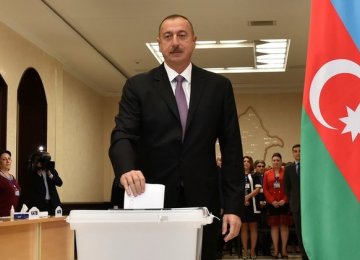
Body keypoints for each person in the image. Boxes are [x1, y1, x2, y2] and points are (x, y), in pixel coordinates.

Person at [109, 14, 244, 260]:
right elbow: (123, 134)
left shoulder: (219, 87)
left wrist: (234, 207)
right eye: (167, 36)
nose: (175, 42)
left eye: (182, 35)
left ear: (194, 41)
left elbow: (232, 148)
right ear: (159, 43)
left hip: (203, 203)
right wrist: (126, 168)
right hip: (150, 200)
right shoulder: (138, 86)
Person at [263, 153, 291, 259]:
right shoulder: (267, 173)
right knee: (274, 227)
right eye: (274, 160)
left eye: (278, 160)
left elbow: (290, 187)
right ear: (271, 161)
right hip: (272, 204)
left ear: (281, 161)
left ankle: (283, 250)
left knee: (284, 226)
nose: (276, 162)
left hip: (284, 203)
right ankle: (275, 250)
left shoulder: (286, 172)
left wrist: (285, 200)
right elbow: (265, 189)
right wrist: (272, 201)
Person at [284, 144, 308, 260]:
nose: (298, 153)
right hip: (296, 206)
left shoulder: (309, 166)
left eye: (300, 151)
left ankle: (312, 253)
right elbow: (287, 188)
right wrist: (293, 200)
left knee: (309, 231)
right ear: (292, 153)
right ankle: (304, 255)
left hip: (310, 206)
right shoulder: (288, 169)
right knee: (300, 232)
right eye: (295, 151)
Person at [24, 149, 63, 215]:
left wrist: (50, 174)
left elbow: (60, 183)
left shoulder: (51, 170)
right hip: (40, 204)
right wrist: (38, 175)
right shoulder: (32, 173)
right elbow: (31, 188)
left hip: (52, 203)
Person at [241, 156, 261, 259]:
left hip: (253, 205)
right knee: (243, 228)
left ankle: (252, 251)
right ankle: (245, 250)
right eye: (244, 161)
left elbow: (257, 189)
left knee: (253, 228)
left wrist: (247, 197)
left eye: (248, 161)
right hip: (241, 205)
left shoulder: (255, 174)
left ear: (251, 163)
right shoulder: (237, 175)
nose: (246, 163)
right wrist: (242, 199)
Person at [0, 150, 21, 216]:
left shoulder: (12, 177)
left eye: (9, 159)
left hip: (12, 215)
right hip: (2, 216)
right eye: (4, 159)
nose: (8, 161)